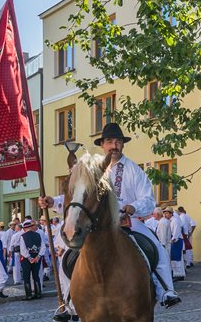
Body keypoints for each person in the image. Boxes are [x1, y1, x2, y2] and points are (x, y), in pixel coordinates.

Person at [48, 122, 181, 307]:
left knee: (157, 249)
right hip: (97, 224)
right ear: (102, 145)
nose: (114, 145)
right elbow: (79, 196)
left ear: (123, 144)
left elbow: (149, 200)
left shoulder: (134, 169)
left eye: (118, 141)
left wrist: (133, 207)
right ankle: (69, 301)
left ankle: (166, 290)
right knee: (67, 256)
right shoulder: (92, 169)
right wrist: (53, 202)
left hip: (128, 222)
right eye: (109, 141)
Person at [18, 219, 44, 300]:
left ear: (24, 228)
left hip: (27, 259)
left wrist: (29, 258)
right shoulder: (38, 235)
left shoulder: (23, 236)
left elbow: (23, 249)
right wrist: (38, 256)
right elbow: (43, 247)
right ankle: (38, 294)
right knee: (36, 276)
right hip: (37, 258)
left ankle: (28, 295)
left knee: (26, 277)